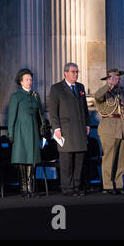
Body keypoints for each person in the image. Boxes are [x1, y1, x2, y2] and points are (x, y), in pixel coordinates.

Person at [48, 62, 90, 197]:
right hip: (65, 130)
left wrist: (87, 125)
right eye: (73, 72)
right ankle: (67, 188)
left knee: (79, 160)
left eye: (77, 72)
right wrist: (56, 129)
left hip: (80, 129)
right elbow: (53, 112)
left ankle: (76, 187)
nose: (75, 74)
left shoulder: (80, 87)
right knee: (66, 161)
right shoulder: (56, 88)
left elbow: (85, 109)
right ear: (65, 73)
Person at [8, 69, 46, 198]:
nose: (29, 82)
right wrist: (10, 134)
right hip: (20, 131)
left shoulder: (35, 96)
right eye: (26, 80)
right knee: (22, 159)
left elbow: (41, 113)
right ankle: (23, 187)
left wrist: (44, 129)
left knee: (32, 158)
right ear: (21, 81)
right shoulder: (16, 96)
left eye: (30, 79)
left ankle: (31, 187)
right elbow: (11, 116)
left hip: (33, 129)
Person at [94, 69, 124, 195]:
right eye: (114, 77)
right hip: (109, 128)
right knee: (109, 158)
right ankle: (108, 185)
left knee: (121, 159)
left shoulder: (122, 93)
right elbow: (97, 96)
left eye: (118, 77)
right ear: (108, 79)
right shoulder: (104, 93)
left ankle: (119, 184)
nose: (117, 79)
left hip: (122, 128)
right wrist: (109, 85)